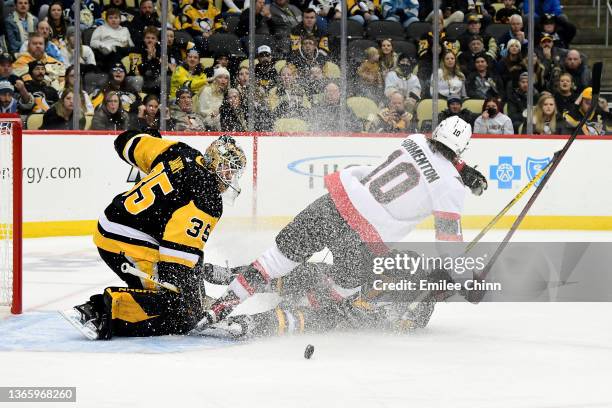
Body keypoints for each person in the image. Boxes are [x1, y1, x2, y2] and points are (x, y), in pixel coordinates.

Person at [193, 117, 487, 332]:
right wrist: (466, 281)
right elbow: (449, 248)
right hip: (365, 235)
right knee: (340, 292)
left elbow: (435, 154)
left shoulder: (414, 140)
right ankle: (285, 314)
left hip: (336, 202)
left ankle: (221, 306)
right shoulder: (450, 186)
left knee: (275, 260)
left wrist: (462, 168)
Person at [61, 132, 247, 340]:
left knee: (183, 294)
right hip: (129, 242)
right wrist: (192, 303)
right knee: (180, 313)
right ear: (213, 161)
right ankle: (101, 312)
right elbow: (176, 256)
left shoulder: (179, 151)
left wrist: (150, 135)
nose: (230, 177)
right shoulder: (208, 195)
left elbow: (126, 142)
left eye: (234, 172)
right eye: (228, 169)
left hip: (114, 222)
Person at [90, 8, 134, 72]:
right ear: (107, 19)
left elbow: (131, 45)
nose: (113, 20)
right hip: (109, 54)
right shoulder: (100, 29)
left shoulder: (125, 30)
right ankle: (120, 72)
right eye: (111, 18)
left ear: (120, 19)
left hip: (123, 52)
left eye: (116, 18)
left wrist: (127, 44)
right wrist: (103, 45)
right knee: (116, 55)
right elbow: (93, 42)